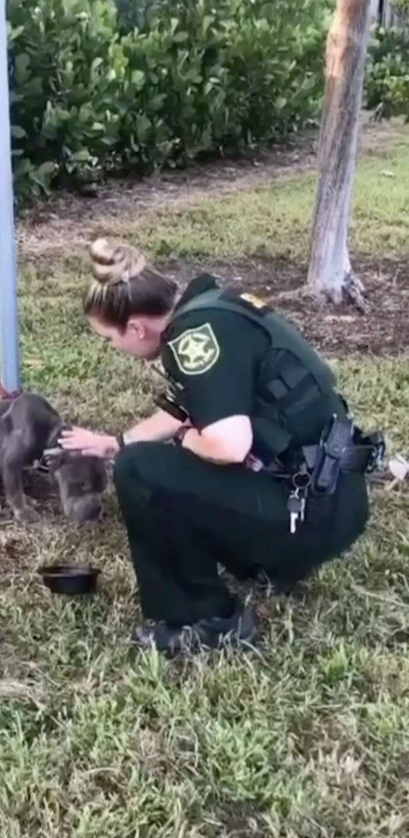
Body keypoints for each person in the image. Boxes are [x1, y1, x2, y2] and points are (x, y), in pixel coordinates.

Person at [59, 239, 384, 656]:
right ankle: (264, 560)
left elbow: (227, 446)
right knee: (147, 456)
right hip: (332, 498)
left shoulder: (194, 339)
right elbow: (188, 408)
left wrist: (174, 442)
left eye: (109, 339)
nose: (114, 349)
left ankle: (205, 620)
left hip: (310, 517)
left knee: (141, 471)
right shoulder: (213, 308)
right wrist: (115, 442)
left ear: (137, 327)